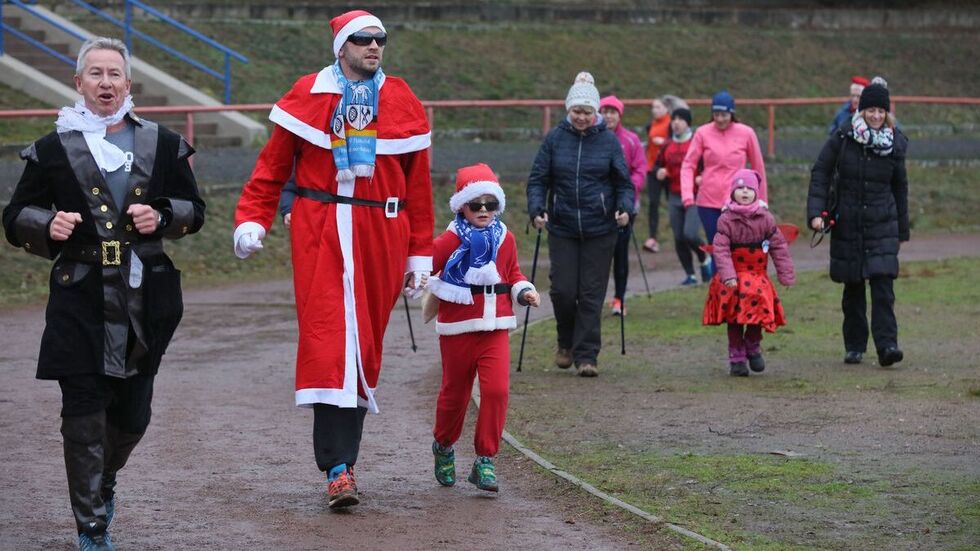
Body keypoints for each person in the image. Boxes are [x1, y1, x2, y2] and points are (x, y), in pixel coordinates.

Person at [1, 37, 205, 550]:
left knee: (133, 414)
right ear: (78, 83)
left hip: (146, 294)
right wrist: (50, 223)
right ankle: (91, 526)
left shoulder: (161, 142)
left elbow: (193, 209)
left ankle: (105, 481)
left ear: (128, 84)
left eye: (114, 73)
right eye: (95, 73)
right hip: (80, 297)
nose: (106, 82)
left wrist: (161, 215)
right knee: (83, 412)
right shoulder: (51, 149)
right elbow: (14, 217)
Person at [232, 9, 434, 509]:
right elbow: (271, 168)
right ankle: (338, 468)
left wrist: (419, 255)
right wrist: (252, 217)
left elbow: (419, 186)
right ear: (341, 47)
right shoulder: (309, 95)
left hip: (383, 233)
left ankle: (347, 461)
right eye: (363, 39)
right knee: (328, 344)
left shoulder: (401, 99)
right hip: (321, 230)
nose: (374, 47)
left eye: (380, 39)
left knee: (363, 348)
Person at [427, 163, 541, 492]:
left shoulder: (506, 238)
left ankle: (485, 459)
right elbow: (424, 265)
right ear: (461, 205)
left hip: (496, 327)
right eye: (476, 204)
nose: (483, 211)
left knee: (497, 391)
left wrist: (524, 290)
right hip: (458, 328)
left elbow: (514, 273)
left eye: (490, 204)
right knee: (455, 395)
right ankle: (444, 445)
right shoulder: (449, 240)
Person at [527, 71, 633, 378]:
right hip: (562, 226)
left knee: (591, 292)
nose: (582, 117)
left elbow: (624, 183)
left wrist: (624, 207)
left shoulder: (609, 142)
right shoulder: (555, 139)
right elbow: (538, 179)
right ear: (568, 110)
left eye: (587, 112)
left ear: (596, 112)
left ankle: (587, 355)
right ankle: (566, 342)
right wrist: (536, 208)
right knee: (561, 290)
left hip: (601, 227)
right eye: (577, 111)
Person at [807, 83, 908, 367]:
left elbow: (901, 188)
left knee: (883, 287)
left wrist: (902, 229)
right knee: (852, 288)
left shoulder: (896, 144)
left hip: (882, 223)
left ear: (886, 113)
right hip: (848, 222)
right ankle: (854, 346)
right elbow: (821, 171)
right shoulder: (843, 137)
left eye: (880, 110)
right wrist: (816, 212)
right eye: (870, 110)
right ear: (861, 111)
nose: (875, 115)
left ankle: (888, 346)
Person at [703, 170, 794, 376]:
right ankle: (737, 357)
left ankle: (753, 346)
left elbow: (778, 247)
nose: (744, 192)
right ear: (733, 192)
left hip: (757, 276)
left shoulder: (766, 218)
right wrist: (728, 275)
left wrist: (785, 274)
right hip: (733, 278)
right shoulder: (726, 220)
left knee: (758, 312)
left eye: (749, 189)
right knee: (734, 318)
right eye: (740, 188)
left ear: (756, 193)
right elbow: (721, 249)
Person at [680, 89, 767, 244]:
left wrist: (761, 200)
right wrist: (687, 195)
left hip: (738, 201)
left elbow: (758, 168)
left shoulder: (746, 133)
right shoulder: (702, 133)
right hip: (707, 201)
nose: (720, 119)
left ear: (731, 114)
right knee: (716, 247)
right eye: (716, 114)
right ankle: (713, 269)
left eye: (724, 115)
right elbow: (688, 164)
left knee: (735, 247)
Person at [652, 107, 712, 285]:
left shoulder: (697, 142)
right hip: (674, 196)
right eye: (674, 119)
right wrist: (659, 171)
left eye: (680, 119)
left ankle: (704, 258)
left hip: (695, 196)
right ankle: (690, 275)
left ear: (688, 122)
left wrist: (703, 176)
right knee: (678, 237)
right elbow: (655, 167)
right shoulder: (667, 145)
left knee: (690, 234)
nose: (676, 122)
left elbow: (709, 165)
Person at [599, 95, 647, 316]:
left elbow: (640, 170)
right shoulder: (593, 139)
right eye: (605, 111)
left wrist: (629, 189)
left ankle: (619, 298)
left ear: (620, 115)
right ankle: (595, 298)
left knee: (620, 252)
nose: (608, 116)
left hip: (625, 205)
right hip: (598, 205)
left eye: (612, 112)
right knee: (599, 255)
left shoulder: (631, 140)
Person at [643, 96, 671, 252]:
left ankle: (679, 235)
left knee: (672, 202)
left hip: (668, 170)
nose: (655, 110)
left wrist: (665, 142)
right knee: (653, 203)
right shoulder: (651, 125)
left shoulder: (672, 124)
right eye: (653, 107)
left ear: (666, 109)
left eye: (658, 107)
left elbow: (678, 142)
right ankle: (652, 238)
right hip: (653, 168)